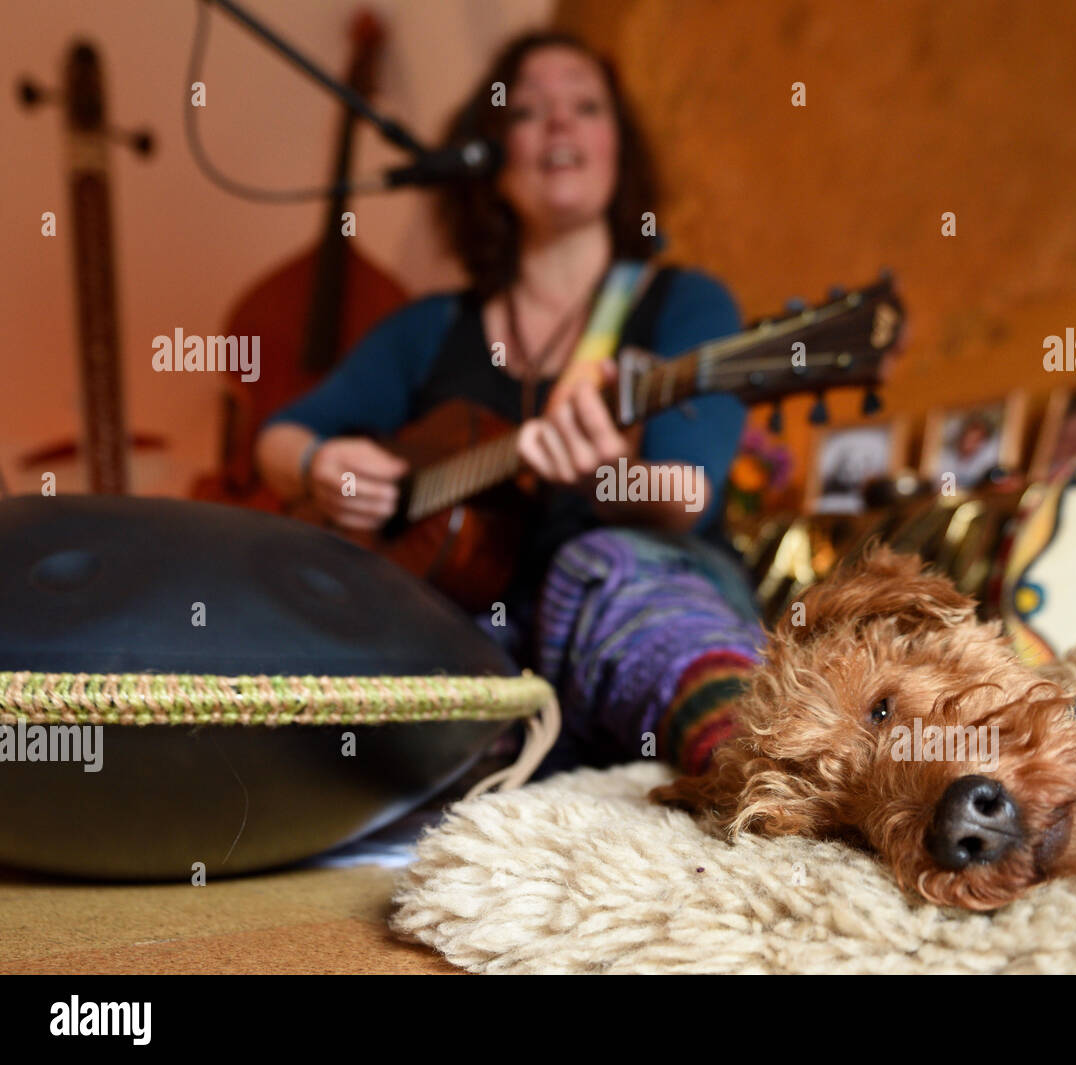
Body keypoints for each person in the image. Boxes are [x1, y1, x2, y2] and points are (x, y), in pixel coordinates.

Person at [255, 31, 762, 775]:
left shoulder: (685, 305)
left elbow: (685, 492)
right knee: (381, 617)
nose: (560, 123)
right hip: (477, 635)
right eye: (528, 110)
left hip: (636, 602)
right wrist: (319, 463)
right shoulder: (427, 328)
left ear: (618, 153)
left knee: (601, 564)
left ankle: (760, 761)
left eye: (585, 106)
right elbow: (278, 435)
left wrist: (606, 474)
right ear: (489, 156)